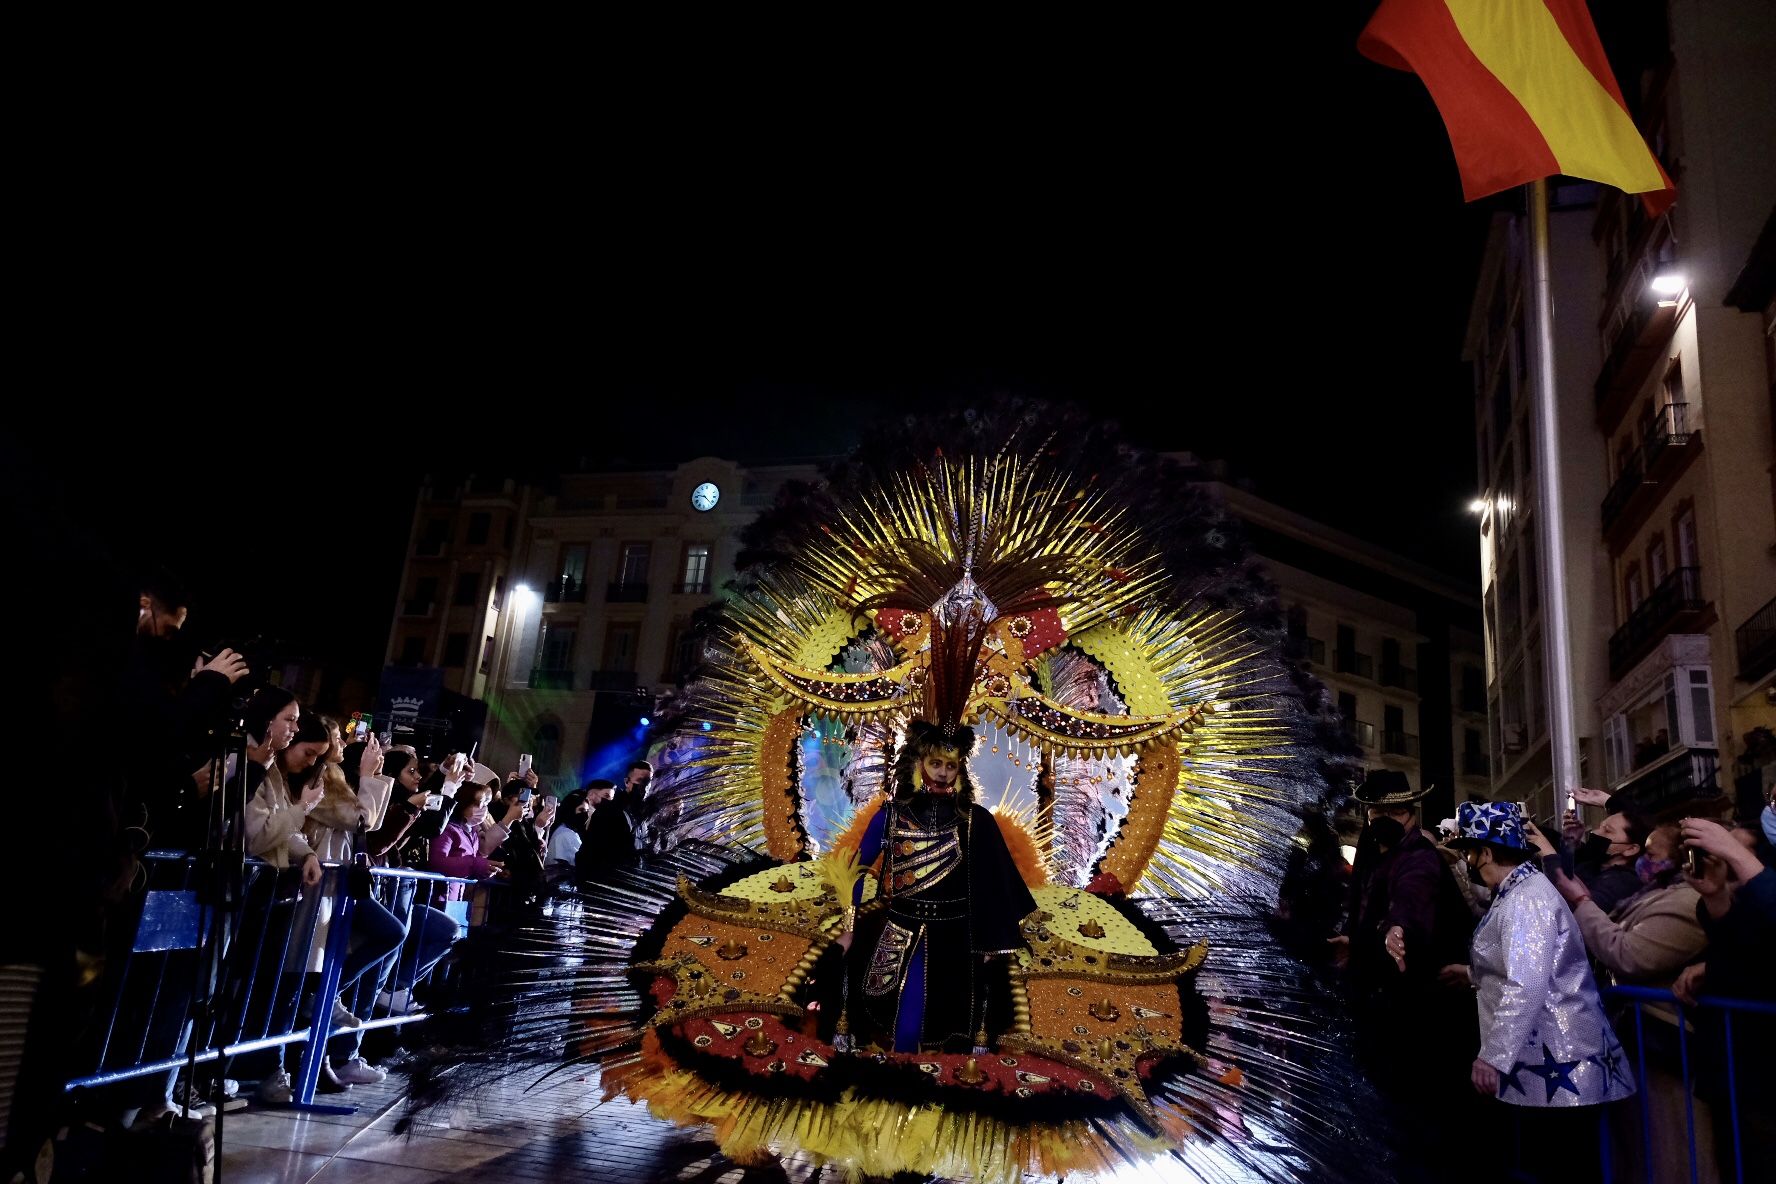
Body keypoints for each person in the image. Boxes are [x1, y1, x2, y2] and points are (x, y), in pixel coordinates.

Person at [1444, 800, 1633, 1184]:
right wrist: (1472, 974)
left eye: (1468, 852)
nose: (1467, 861)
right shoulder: (1515, 892)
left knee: (1564, 1169)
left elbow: (1527, 982)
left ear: (1487, 851)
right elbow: (1516, 964)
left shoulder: (1528, 899)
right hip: (1549, 1063)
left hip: (1561, 1060)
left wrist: (1492, 1057)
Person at [837, 720, 1036, 1054]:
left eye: (950, 765)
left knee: (951, 1028)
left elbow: (995, 885)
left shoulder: (977, 820)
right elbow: (854, 869)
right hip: (900, 929)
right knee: (900, 1020)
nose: (942, 772)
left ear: (959, 769)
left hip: (956, 939)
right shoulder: (890, 815)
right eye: (935, 763)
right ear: (919, 763)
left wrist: (993, 942)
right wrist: (848, 927)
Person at [1331, 769, 1478, 1173]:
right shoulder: (1371, 851)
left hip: (1423, 1010)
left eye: (1395, 812)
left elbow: (1411, 901)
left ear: (1411, 814)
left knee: (1422, 1116)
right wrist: (1355, 943)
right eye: (1377, 811)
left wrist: (1399, 930)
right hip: (1382, 1004)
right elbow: (1364, 907)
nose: (1385, 819)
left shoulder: (1419, 856)